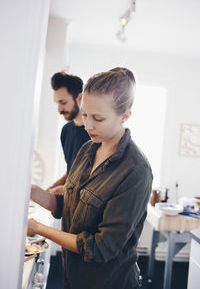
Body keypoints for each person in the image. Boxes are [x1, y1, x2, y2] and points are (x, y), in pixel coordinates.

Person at [28, 67, 153, 289]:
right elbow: (69, 205)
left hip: (108, 282)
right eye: (85, 114)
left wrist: (38, 228)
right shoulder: (88, 148)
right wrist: (31, 190)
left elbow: (101, 247)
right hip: (73, 276)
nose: (88, 125)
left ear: (125, 115)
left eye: (98, 118)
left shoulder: (136, 171)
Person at [47, 72, 90, 194]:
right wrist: (49, 190)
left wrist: (59, 191)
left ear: (80, 98)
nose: (59, 110)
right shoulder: (66, 131)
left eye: (63, 103)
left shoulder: (95, 134)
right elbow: (72, 172)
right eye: (57, 103)